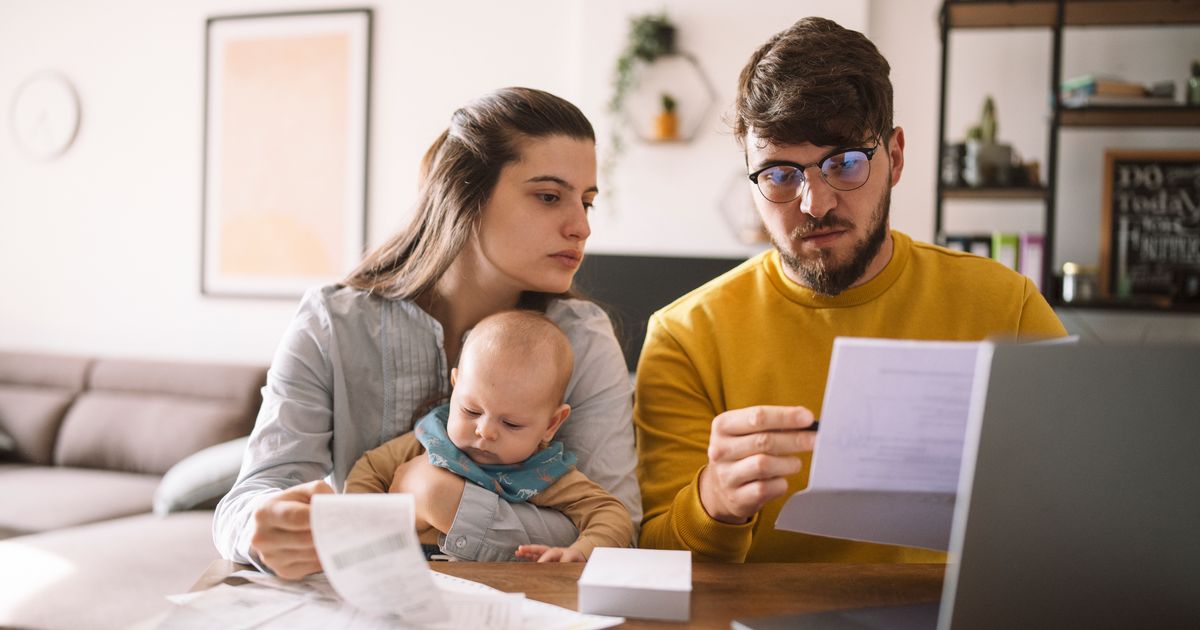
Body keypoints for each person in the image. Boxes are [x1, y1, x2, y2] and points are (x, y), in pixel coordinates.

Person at [634, 17, 1067, 563]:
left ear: (896, 157)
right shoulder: (684, 337)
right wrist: (714, 503)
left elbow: (1085, 501)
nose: (815, 204)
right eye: (780, 174)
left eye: (844, 163)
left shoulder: (1007, 306)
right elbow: (653, 562)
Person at [213, 87, 641, 579]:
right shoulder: (331, 323)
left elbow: (618, 528)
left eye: (587, 202)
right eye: (549, 197)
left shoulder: (583, 339)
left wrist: (441, 499)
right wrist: (260, 526)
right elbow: (247, 500)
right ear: (464, 196)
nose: (581, 227)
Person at [344, 310, 633, 562]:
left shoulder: (544, 472)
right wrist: (360, 530)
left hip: (497, 586)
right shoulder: (431, 439)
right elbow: (369, 469)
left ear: (551, 424)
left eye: (511, 424)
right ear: (455, 386)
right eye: (471, 410)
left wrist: (582, 551)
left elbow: (611, 514)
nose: (485, 430)